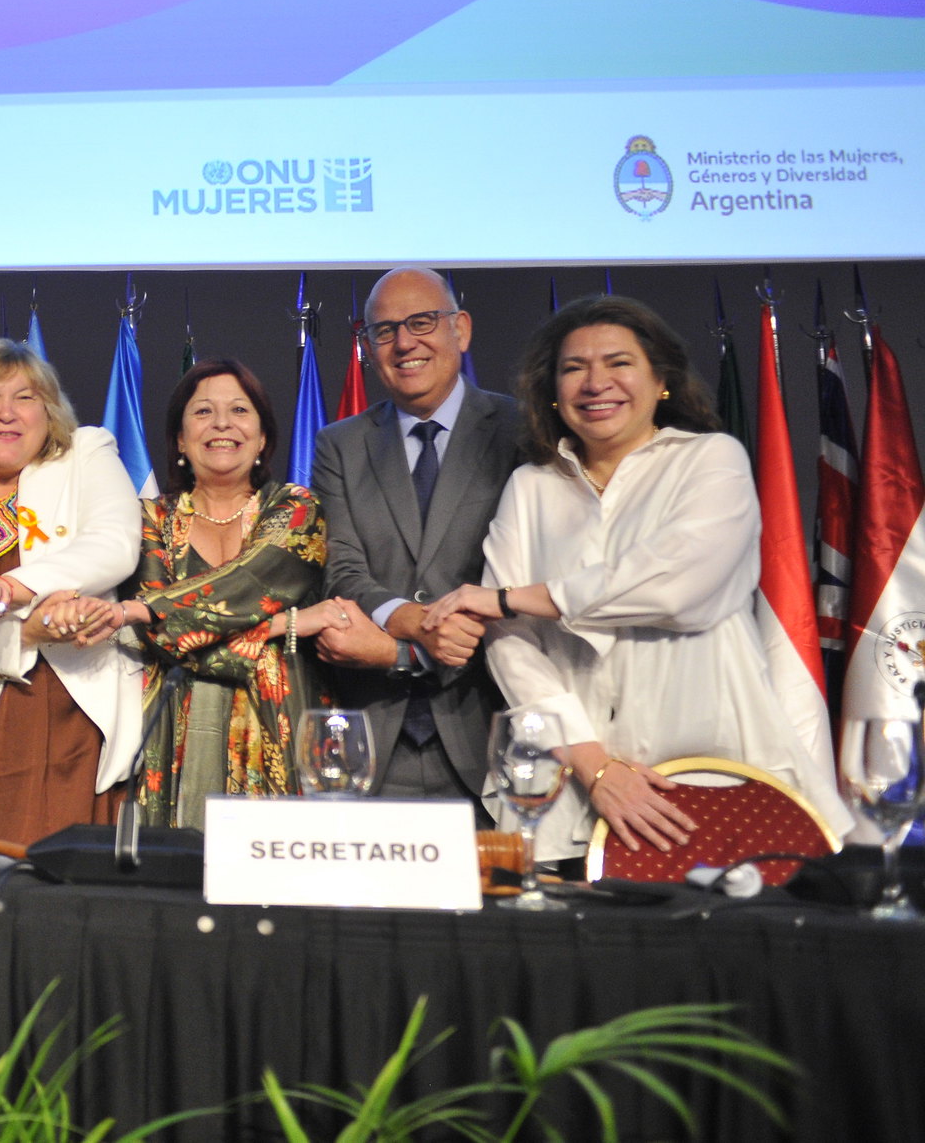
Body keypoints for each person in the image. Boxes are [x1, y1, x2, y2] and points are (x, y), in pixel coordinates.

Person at [425, 295, 850, 859]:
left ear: (662, 380)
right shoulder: (530, 485)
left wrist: (512, 597)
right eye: (574, 368)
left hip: (712, 775)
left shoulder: (712, 460)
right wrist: (595, 767)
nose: (596, 382)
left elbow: (676, 588)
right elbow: (510, 645)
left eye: (619, 363)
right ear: (552, 392)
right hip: (563, 794)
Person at [66, 359, 336, 828]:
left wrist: (140, 613)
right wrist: (285, 625)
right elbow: (160, 638)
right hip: (171, 736)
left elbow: (249, 586)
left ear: (264, 435)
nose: (222, 424)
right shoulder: (148, 519)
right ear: (179, 440)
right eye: (203, 412)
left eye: (239, 410)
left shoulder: (296, 508)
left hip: (281, 730)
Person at [309, 267, 520, 809]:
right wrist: (420, 637)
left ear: (462, 330)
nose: (405, 342)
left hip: (493, 737)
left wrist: (398, 650)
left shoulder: (521, 432)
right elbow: (343, 573)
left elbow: (528, 582)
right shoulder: (340, 445)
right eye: (384, 330)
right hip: (370, 743)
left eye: (422, 322)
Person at [0, 339, 142, 846]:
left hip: (86, 706)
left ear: (49, 414)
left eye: (25, 397)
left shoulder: (86, 453)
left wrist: (8, 589)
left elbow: (114, 547)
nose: (7, 413)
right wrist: (25, 632)